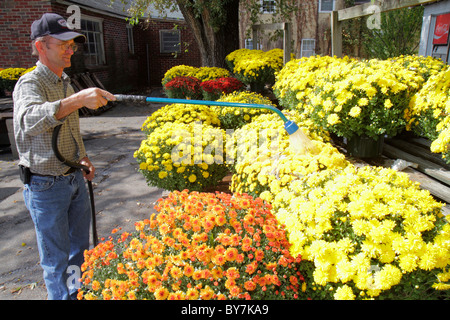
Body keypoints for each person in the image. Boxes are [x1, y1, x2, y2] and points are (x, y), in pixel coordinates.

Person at [13, 13, 116, 300]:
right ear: (41, 46)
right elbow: (28, 121)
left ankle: (77, 296)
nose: (70, 49)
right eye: (63, 44)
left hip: (72, 179)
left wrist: (81, 157)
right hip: (45, 187)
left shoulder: (65, 82)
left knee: (79, 253)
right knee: (56, 260)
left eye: (72, 44)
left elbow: (70, 129)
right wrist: (78, 99)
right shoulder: (30, 83)